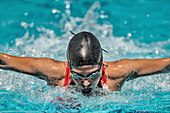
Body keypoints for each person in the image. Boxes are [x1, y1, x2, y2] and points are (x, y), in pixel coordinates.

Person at [0, 31, 169, 95]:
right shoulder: (54, 72)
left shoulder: (117, 72)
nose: (87, 83)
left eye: (94, 74)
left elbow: (165, 65)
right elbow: (5, 61)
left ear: (102, 65)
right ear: (69, 67)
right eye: (78, 76)